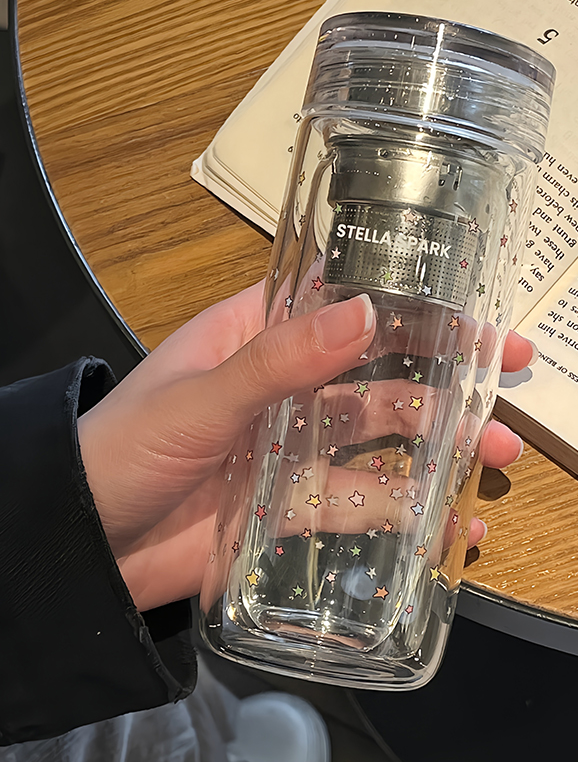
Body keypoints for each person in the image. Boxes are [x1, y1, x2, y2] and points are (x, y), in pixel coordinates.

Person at [0, 280, 536, 749]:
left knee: (172, 725)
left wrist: (73, 531)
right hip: (46, 675)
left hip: (45, 651)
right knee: (134, 743)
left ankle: (212, 740)